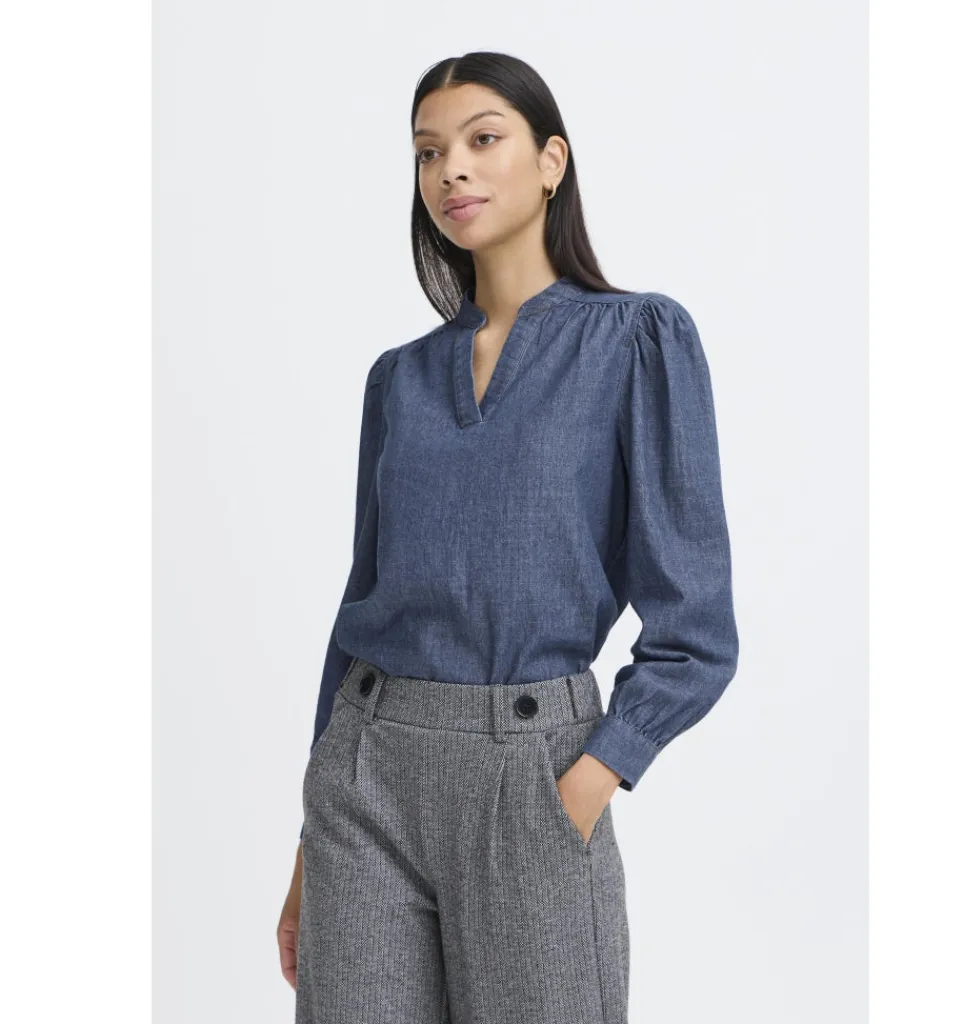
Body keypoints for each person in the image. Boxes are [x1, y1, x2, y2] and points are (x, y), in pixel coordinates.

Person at [278, 51, 740, 1024]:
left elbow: (695, 628)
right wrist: (309, 843)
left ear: (550, 161)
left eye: (482, 139)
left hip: (533, 774)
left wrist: (585, 782)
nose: (451, 168)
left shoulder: (637, 342)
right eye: (427, 151)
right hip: (365, 779)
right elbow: (361, 607)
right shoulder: (398, 379)